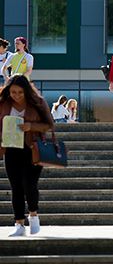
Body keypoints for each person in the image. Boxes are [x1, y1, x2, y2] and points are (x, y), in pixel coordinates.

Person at [0, 75, 55, 236]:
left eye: (20, 92)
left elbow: (49, 125)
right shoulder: (3, 103)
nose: (16, 96)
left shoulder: (37, 102)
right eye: (13, 92)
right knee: (16, 186)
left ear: (27, 91)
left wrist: (30, 126)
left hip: (33, 149)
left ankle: (33, 215)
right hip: (10, 148)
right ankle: (19, 224)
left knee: (29, 185)